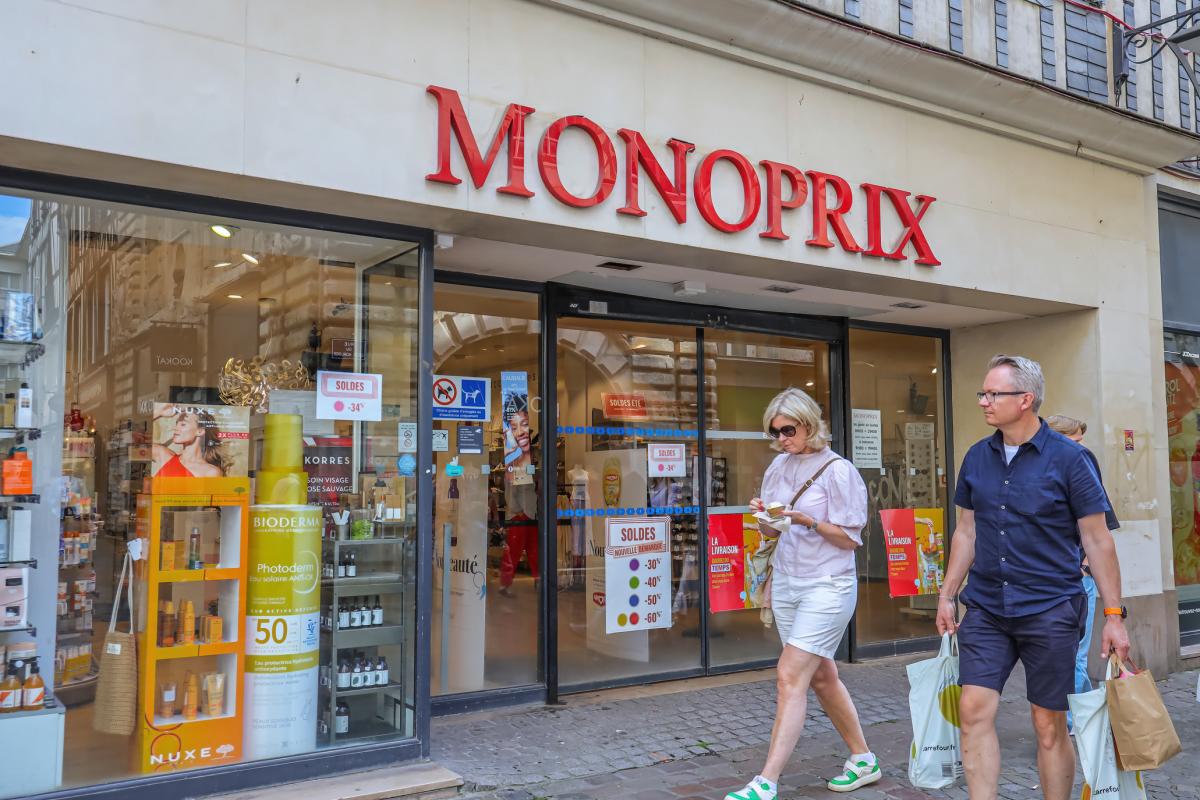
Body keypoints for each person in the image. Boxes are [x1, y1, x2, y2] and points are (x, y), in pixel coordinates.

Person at [937, 356, 1130, 800]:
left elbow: (1097, 540)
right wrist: (948, 595)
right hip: (986, 606)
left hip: (1050, 608)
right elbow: (966, 530)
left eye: (993, 394)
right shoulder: (976, 457)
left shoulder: (1071, 459)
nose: (983, 401)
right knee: (973, 709)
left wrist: (1115, 616)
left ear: (1025, 400)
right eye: (982, 393)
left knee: (1048, 723)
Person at [727, 388, 878, 799]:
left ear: (809, 424)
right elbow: (770, 531)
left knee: (789, 675)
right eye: (774, 433)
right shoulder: (778, 465)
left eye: (787, 430)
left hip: (827, 584)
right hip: (789, 581)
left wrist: (808, 520)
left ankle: (766, 782)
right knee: (822, 676)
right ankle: (863, 759)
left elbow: (850, 539)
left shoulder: (838, 470)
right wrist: (765, 515)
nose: (781, 439)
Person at [1044, 414, 1119, 734]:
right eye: (1075, 441)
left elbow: (1102, 531)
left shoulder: (1083, 469)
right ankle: (1076, 717)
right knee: (1061, 657)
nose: (1082, 449)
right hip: (1049, 580)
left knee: (1075, 655)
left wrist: (1085, 566)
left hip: (1077, 578)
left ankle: (1077, 720)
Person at [152, 406, 227, 478]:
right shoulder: (164, 456)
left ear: (200, 431)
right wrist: (159, 412)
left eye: (183, 424)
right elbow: (139, 445)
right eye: (176, 423)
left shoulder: (211, 472)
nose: (175, 428)